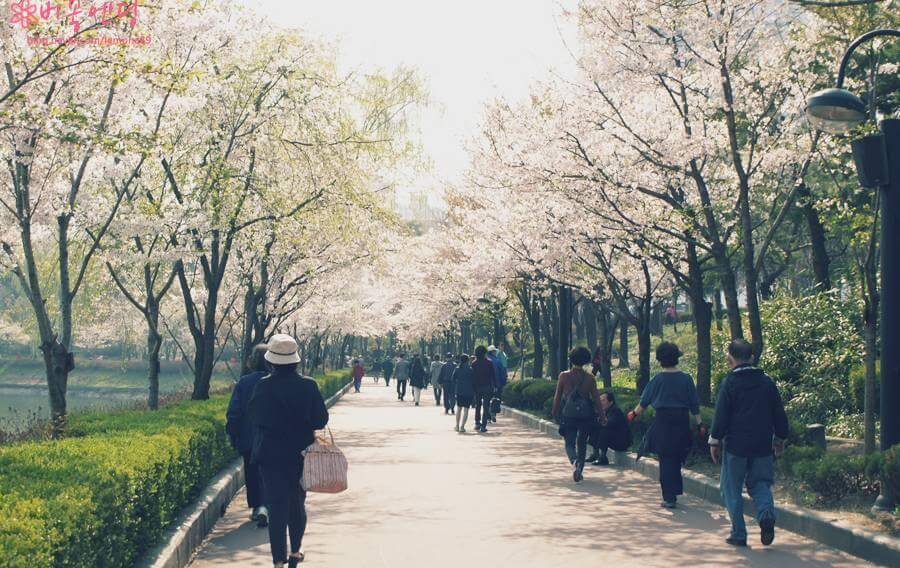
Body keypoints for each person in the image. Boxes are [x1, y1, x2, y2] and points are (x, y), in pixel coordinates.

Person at [249, 334, 328, 568]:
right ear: (296, 361)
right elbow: (320, 419)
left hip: (270, 456)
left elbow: (254, 417)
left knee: (277, 506)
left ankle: (278, 561)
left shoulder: (262, 386)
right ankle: (295, 551)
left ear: (270, 361)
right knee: (297, 503)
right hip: (300, 455)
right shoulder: (308, 385)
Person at [710, 339, 789, 548]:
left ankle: (738, 533)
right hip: (762, 445)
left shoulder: (729, 383)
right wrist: (779, 438)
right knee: (760, 483)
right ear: (752, 358)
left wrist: (714, 441)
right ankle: (765, 515)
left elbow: (721, 416)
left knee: (731, 488)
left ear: (730, 358)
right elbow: (779, 415)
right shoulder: (767, 382)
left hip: (736, 446)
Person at [628, 341, 703, 509]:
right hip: (682, 421)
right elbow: (694, 404)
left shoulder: (657, 379)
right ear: (677, 358)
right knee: (676, 456)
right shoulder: (686, 378)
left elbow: (644, 402)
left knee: (666, 458)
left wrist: (633, 414)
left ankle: (669, 496)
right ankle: (674, 491)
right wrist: (700, 423)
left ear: (660, 360)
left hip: (663, 422)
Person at [226, 345, 269, 527]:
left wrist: (233, 434)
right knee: (269, 472)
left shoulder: (244, 382)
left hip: (249, 437)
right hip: (272, 438)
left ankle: (257, 507)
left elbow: (234, 412)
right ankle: (267, 506)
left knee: (251, 473)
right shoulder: (274, 381)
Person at [552, 346, 604, 482]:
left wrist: (555, 412)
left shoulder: (563, 376)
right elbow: (597, 399)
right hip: (586, 415)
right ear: (586, 360)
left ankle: (574, 462)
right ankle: (580, 467)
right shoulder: (590, 378)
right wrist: (602, 416)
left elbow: (557, 397)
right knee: (582, 442)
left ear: (571, 359)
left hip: (569, 415)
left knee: (569, 443)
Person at [588, 390, 631, 465]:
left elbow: (609, 424)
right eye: (600, 400)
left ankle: (603, 457)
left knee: (604, 431)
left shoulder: (616, 411)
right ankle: (595, 454)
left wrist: (599, 421)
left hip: (621, 441)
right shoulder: (603, 411)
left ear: (611, 402)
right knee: (594, 428)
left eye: (603, 400)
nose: (600, 402)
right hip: (612, 439)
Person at [471, 346, 496, 433]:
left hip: (477, 387)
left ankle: (477, 422)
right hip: (487, 386)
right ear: (485, 353)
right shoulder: (489, 362)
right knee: (486, 406)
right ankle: (483, 425)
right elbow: (493, 375)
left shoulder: (474, 363)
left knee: (478, 405)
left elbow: (472, 376)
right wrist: (495, 385)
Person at [453, 354, 475, 432]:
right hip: (469, 392)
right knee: (466, 409)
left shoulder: (457, 369)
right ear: (468, 360)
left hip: (459, 391)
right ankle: (462, 426)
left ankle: (457, 426)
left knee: (459, 409)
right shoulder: (471, 370)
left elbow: (453, 379)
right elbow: (474, 381)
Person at [486, 346, 507, 422]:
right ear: (493, 352)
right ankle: (493, 414)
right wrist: (503, 382)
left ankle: (488, 416)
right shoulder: (498, 361)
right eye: (495, 351)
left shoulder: (485, 361)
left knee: (487, 400)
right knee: (495, 400)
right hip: (497, 384)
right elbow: (503, 373)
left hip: (486, 384)